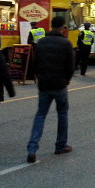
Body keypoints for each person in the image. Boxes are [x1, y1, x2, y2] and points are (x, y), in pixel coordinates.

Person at [27, 16, 74, 163]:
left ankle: (32, 148)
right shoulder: (66, 43)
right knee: (62, 114)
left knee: (41, 114)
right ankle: (60, 145)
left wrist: (40, 77)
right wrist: (66, 80)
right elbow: (70, 66)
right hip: (60, 84)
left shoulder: (41, 42)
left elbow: (36, 63)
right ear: (63, 27)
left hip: (45, 84)